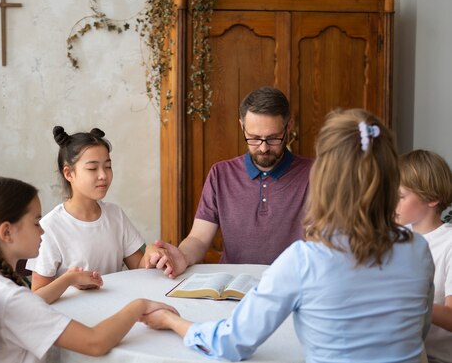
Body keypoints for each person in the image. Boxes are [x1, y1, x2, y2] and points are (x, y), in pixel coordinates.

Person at [141, 108, 435, 362]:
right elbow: (416, 332)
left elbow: (229, 343)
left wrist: (171, 320)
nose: (264, 146)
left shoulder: (306, 260)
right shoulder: (418, 250)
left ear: (323, 178)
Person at [0, 176, 177, 363]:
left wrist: (68, 279)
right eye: (36, 222)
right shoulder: (10, 300)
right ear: (6, 232)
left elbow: (30, 303)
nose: (42, 230)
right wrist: (140, 305)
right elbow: (95, 342)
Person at [148, 86, 313, 276]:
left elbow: (323, 244)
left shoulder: (315, 174)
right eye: (254, 138)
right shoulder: (221, 174)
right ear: (242, 126)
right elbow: (199, 239)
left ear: (288, 127)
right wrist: (182, 256)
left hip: (291, 283)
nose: (264, 148)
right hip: (233, 285)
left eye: (273, 138)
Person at [27, 126, 154, 291]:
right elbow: (37, 295)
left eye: (108, 166)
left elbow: (139, 267)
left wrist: (152, 254)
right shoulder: (50, 227)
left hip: (117, 309)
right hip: (74, 315)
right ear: (69, 173)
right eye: (92, 168)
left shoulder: (115, 215)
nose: (103, 175)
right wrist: (69, 280)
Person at [396, 149, 452, 363]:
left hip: (437, 358)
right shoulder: (394, 238)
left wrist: (411, 299)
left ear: (433, 199)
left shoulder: (448, 244)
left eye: (400, 196)